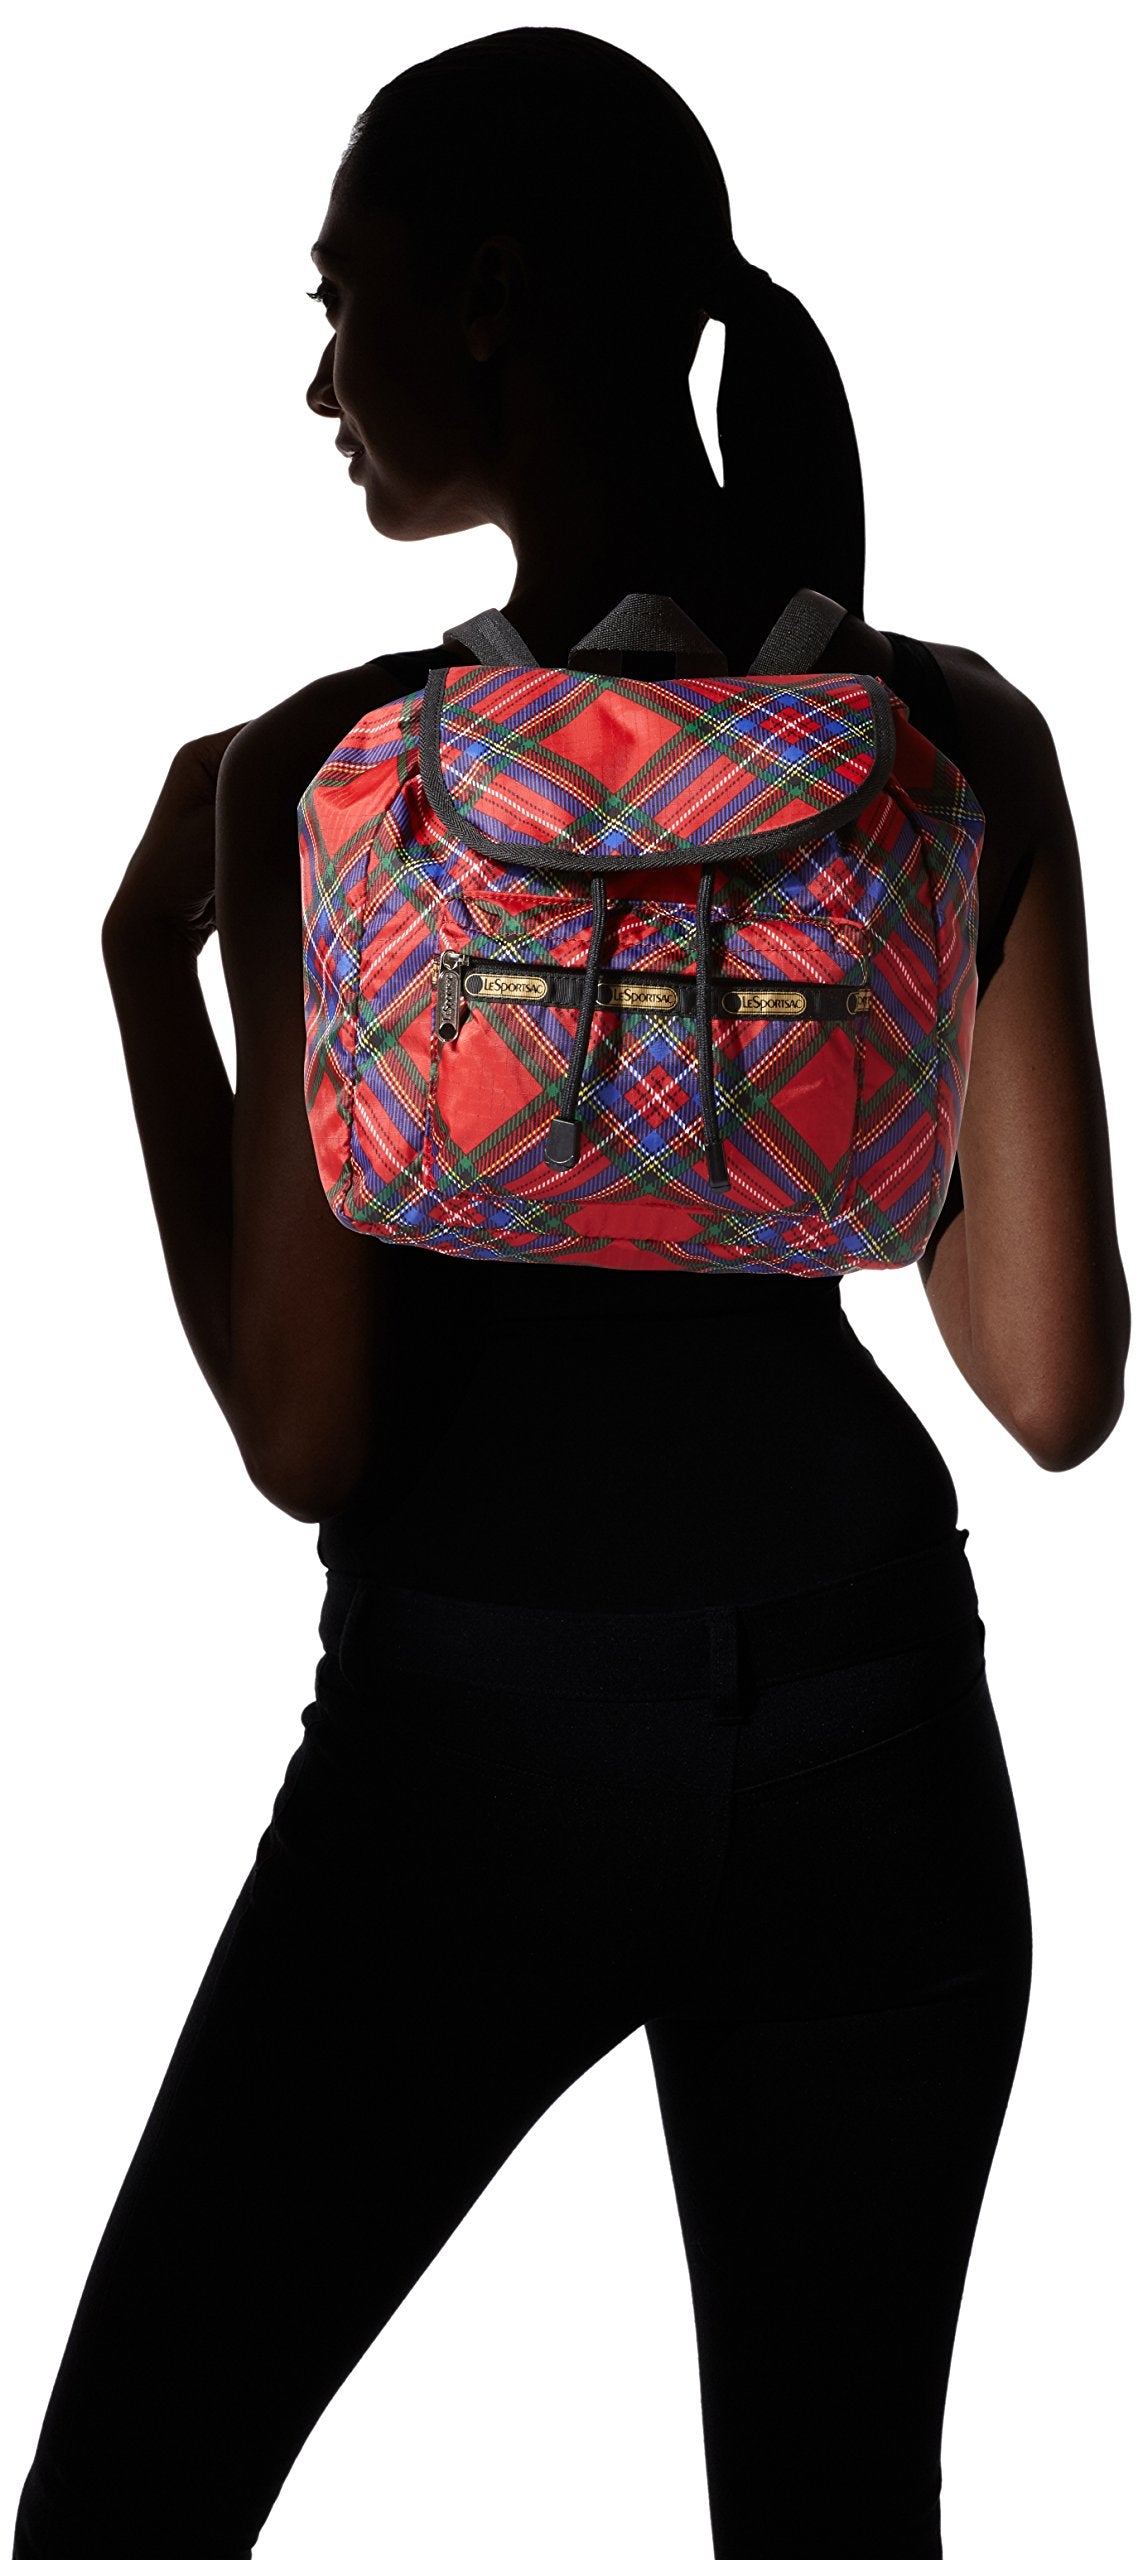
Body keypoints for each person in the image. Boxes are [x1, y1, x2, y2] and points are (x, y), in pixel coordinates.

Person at [13, 27, 1130, 2560]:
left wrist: (138, 976)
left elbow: (305, 1433)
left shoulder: (337, 779)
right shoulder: (942, 741)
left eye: (343, 299)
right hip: (869, 1738)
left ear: (491, 297)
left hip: (467, 1755)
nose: (321, 380)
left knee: (126, 2503)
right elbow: (1046, 1381)